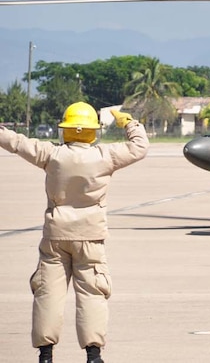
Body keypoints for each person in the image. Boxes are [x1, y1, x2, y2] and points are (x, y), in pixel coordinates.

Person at [0, 103, 149, 363]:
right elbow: (139, 147)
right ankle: (93, 354)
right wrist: (128, 122)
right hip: (91, 236)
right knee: (92, 293)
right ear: (94, 132)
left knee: (48, 293)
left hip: (55, 236)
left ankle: (45, 354)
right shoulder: (105, 156)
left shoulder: (51, 154)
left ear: (65, 130)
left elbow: (16, 142)